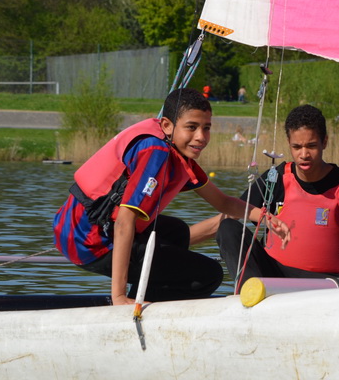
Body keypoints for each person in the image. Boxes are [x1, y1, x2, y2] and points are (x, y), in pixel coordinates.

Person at [53, 88, 290, 305]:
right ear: (167, 125)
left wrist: (264, 217)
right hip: (90, 243)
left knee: (176, 232)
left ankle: (143, 295)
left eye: (206, 128)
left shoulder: (177, 153)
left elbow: (223, 202)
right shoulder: (156, 154)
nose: (201, 136)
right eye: (191, 127)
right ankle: (135, 306)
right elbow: (124, 221)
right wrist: (119, 297)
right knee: (208, 275)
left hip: (75, 231)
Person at [191, 104, 339, 292]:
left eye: (311, 146)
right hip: (273, 277)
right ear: (289, 144)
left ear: (324, 142)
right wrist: (178, 242)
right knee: (228, 228)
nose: (304, 154)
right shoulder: (275, 178)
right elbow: (226, 217)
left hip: (325, 285)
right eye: (297, 147)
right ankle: (250, 296)